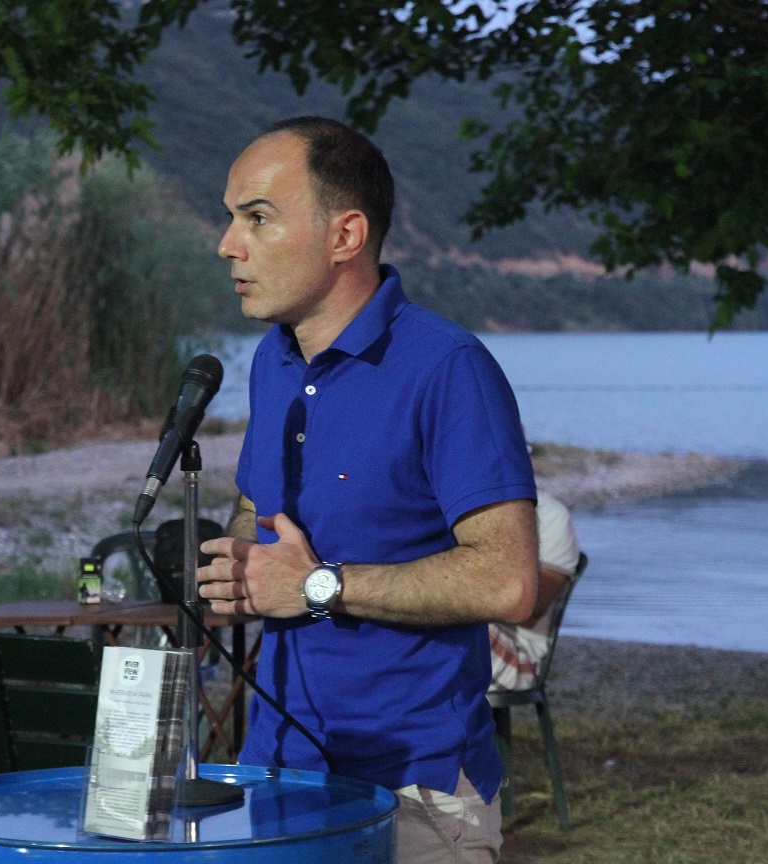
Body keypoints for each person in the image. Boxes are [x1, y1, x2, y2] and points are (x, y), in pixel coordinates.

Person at [196, 116, 539, 863]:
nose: (228, 243)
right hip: (276, 768)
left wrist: (317, 586)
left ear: (345, 235)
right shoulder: (273, 361)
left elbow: (509, 580)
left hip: (413, 788)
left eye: (257, 218)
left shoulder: (447, 367)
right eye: (231, 218)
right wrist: (241, 568)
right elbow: (258, 508)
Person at [489, 491, 582, 692]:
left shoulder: (549, 515)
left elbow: (529, 611)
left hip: (519, 651)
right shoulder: (443, 503)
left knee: (449, 613)